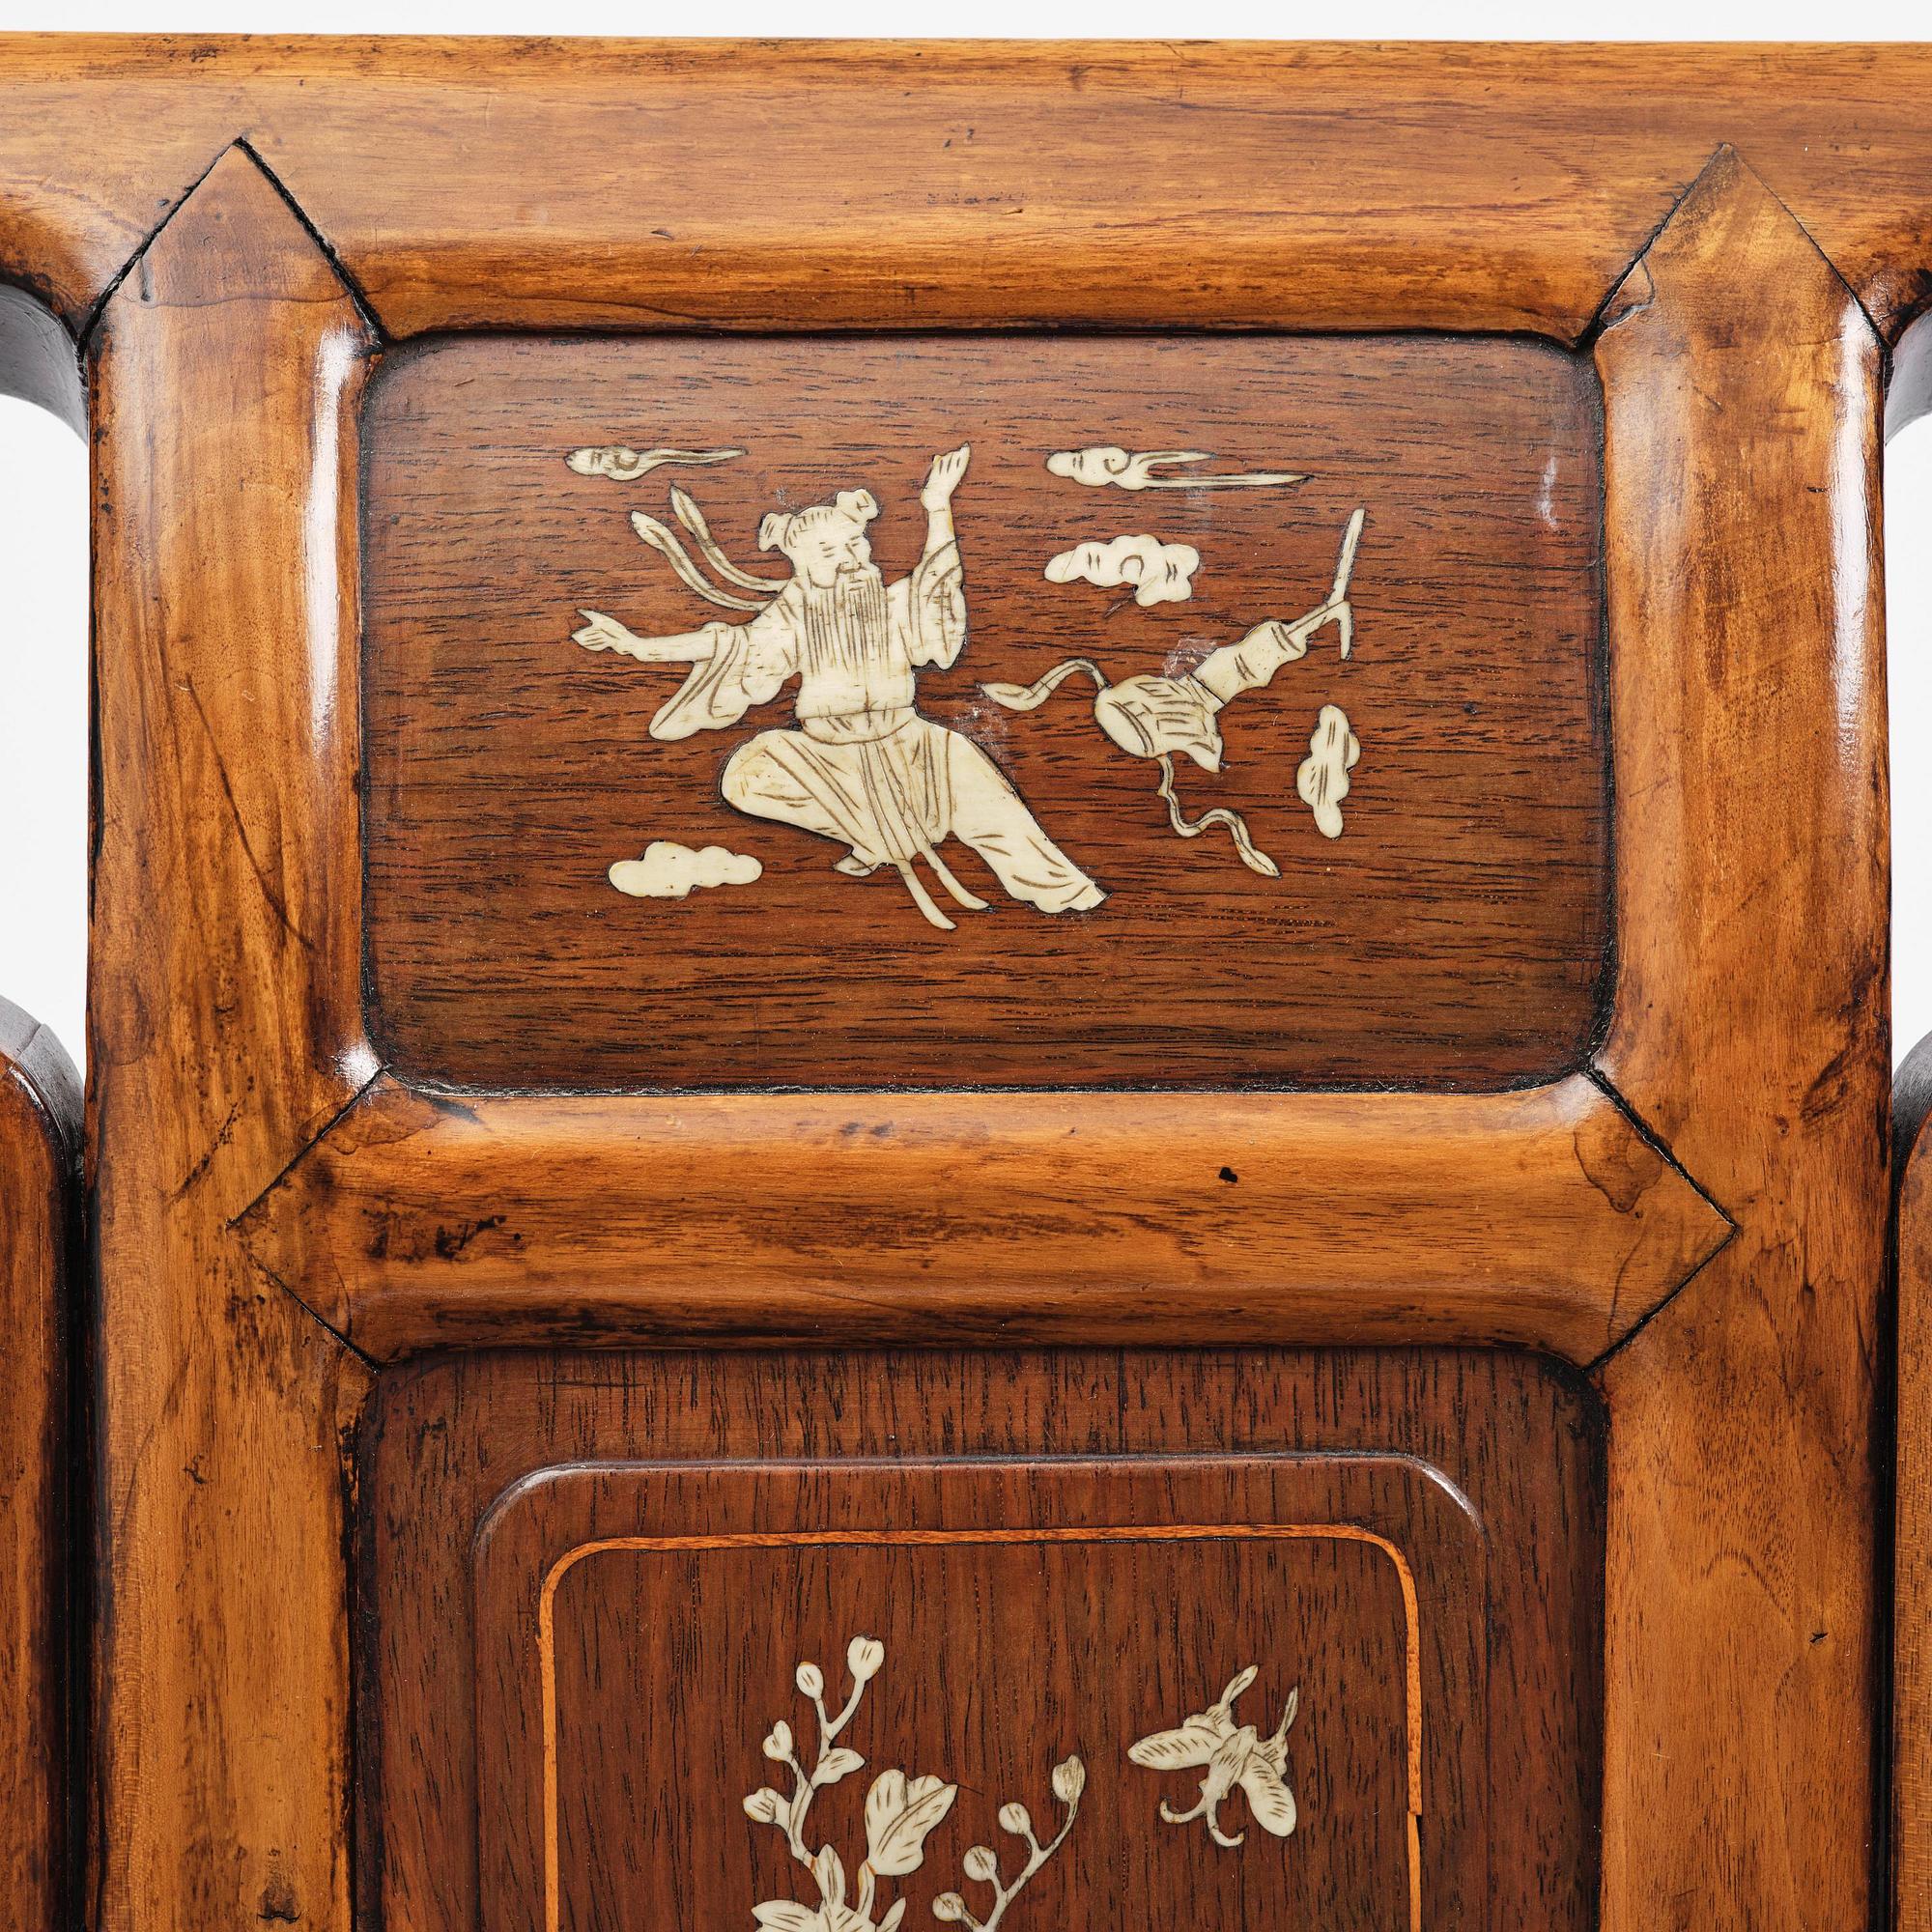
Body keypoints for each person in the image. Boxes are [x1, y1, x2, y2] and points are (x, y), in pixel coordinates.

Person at [573, 443, 1104, 932]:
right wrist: (637, 647)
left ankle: (1066, 895)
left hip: (909, 738)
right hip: (827, 752)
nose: (851, 559)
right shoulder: (792, 614)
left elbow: (937, 583)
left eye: (856, 545)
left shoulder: (892, 601)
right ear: (799, 563)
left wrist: (937, 506)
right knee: (747, 775)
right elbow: (727, 646)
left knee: (991, 803)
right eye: (830, 553)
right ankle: (868, 834)